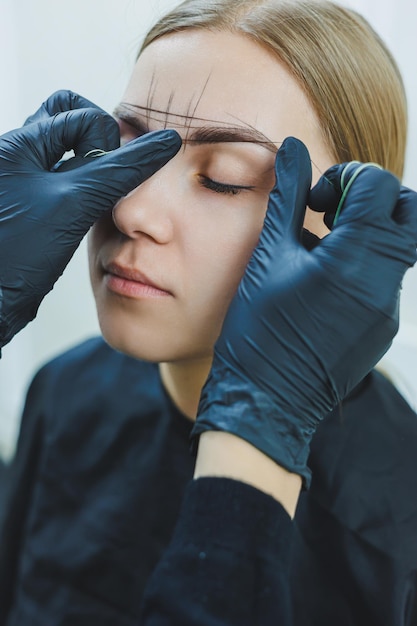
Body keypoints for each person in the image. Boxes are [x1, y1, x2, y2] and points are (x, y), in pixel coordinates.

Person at [1, 1, 417, 625]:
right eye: (124, 150)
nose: (130, 210)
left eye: (222, 178)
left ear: (341, 226)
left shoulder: (393, 515)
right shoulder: (64, 392)